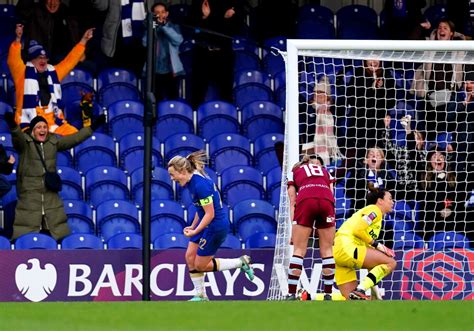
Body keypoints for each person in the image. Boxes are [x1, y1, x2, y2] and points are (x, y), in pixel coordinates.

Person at [4, 107, 105, 241]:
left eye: (45, 127)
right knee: (25, 235)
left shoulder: (53, 142)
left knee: (58, 232)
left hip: (50, 194)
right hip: (29, 194)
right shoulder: (25, 143)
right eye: (39, 127)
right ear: (33, 130)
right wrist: (13, 126)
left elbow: (75, 139)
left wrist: (92, 127)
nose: (42, 130)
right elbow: (17, 138)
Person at [167, 150, 255, 301]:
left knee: (200, 265)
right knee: (189, 256)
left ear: (182, 171)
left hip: (215, 227)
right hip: (206, 224)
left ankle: (240, 262)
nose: (171, 178)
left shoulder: (200, 185)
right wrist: (193, 226)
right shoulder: (191, 182)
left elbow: (210, 214)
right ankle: (200, 295)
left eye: (172, 174)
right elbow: (200, 209)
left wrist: (196, 230)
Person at [8, 24, 95, 136]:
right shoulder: (22, 72)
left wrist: (84, 40)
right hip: (30, 123)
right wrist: (18, 40)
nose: (43, 60)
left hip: (53, 121)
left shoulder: (53, 72)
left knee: (76, 136)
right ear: (32, 59)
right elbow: (12, 60)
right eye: (39, 57)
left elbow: (70, 61)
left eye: (45, 58)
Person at [333, 185, 396, 300]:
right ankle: (360, 290)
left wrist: (375, 292)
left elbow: (371, 265)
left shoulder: (373, 216)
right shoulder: (375, 210)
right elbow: (358, 230)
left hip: (338, 252)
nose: (393, 202)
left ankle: (307, 297)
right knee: (391, 263)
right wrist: (379, 246)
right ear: (380, 201)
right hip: (348, 246)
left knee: (352, 301)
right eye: (390, 198)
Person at [286, 154, 336, 301]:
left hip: (306, 199)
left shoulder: (294, 171)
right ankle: (328, 294)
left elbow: (292, 201)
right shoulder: (324, 170)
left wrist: (293, 228)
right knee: (327, 249)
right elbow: (332, 194)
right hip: (326, 201)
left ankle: (291, 294)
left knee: (299, 249)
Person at [410, 19, 466, 141]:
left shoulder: (459, 48)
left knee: (457, 111)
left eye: (445, 28)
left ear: (452, 33)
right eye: (439, 27)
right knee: (423, 117)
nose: (441, 30)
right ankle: (426, 146)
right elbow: (412, 41)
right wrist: (421, 26)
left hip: (450, 95)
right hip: (429, 94)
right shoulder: (429, 45)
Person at [187, 0, 244, 109]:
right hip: (203, 53)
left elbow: (236, 29)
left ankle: (227, 121)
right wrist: (205, 17)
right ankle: (196, 122)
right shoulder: (199, 3)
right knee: (197, 93)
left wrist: (211, 18)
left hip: (224, 54)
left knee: (226, 92)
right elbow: (192, 27)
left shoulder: (231, 5)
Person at [416, 148, 469, 241]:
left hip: (453, 218)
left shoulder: (453, 177)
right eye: (434, 156)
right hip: (433, 221)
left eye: (441, 156)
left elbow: (459, 198)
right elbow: (427, 203)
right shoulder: (424, 179)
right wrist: (439, 212)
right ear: (429, 161)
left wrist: (450, 209)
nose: (438, 158)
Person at [16, 0, 81, 64]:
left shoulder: (66, 11)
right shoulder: (35, 10)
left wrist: (79, 52)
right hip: (38, 57)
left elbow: (75, 34)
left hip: (61, 58)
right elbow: (21, 10)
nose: (52, 3)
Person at [91, 0, 147, 75]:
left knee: (139, 76)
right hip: (117, 37)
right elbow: (102, 6)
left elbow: (160, 5)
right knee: (115, 75)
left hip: (144, 34)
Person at [143, 2, 184, 102]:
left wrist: (164, 27)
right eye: (157, 12)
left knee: (172, 100)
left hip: (171, 70)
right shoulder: (149, 27)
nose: (160, 15)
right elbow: (145, 43)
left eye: (162, 12)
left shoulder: (174, 26)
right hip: (154, 70)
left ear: (166, 14)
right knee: (154, 100)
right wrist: (152, 27)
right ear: (153, 14)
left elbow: (178, 40)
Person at [300, 75, 342, 166]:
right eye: (316, 92)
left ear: (328, 96)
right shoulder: (307, 109)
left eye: (321, 92)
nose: (318, 94)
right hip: (310, 150)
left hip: (329, 153)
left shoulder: (333, 110)